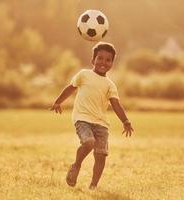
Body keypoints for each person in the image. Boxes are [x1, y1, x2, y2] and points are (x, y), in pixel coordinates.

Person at [50, 42, 134, 190]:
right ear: (93, 60)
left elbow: (116, 104)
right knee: (89, 142)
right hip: (82, 118)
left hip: (101, 123)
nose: (104, 62)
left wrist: (125, 121)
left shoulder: (110, 85)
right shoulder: (84, 74)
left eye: (108, 60)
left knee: (101, 155)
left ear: (112, 64)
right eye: (100, 58)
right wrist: (58, 101)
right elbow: (71, 88)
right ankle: (76, 165)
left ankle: (93, 186)